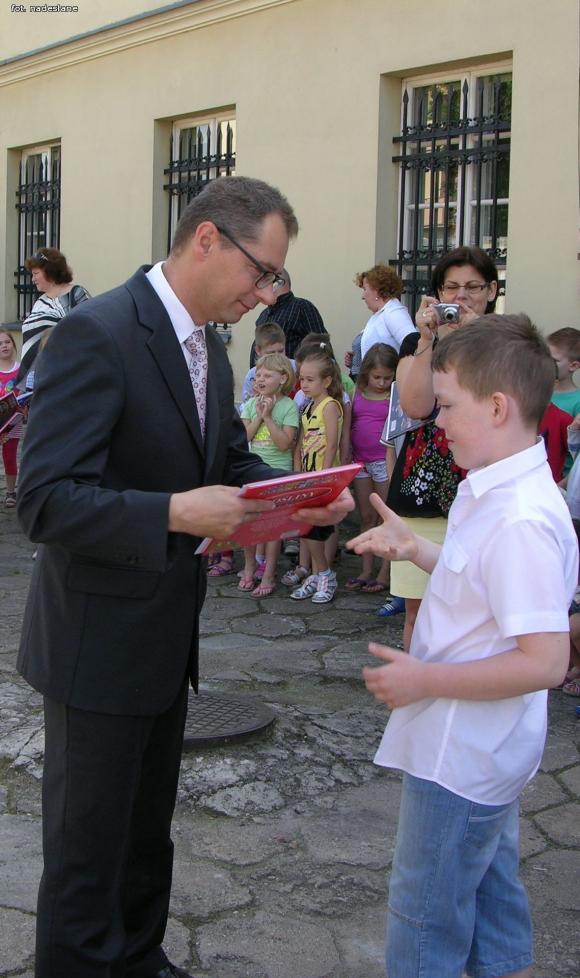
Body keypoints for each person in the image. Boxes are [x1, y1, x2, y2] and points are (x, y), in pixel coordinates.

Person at [16, 175, 353, 978]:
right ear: (208, 240)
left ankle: (139, 956)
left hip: (165, 639)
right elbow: (45, 501)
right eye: (261, 271)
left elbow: (227, 461)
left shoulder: (208, 342)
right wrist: (172, 512)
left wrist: (305, 501)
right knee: (86, 848)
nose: (266, 293)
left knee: (144, 832)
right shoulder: (95, 333)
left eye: (275, 278)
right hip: (95, 646)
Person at [348, 314, 578, 978]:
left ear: (499, 406)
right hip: (486, 752)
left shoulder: (521, 518)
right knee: (491, 897)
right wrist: (416, 547)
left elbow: (545, 660)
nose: (436, 420)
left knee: (425, 917)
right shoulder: (496, 486)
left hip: (463, 754)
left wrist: (426, 682)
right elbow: (480, 581)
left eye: (448, 405)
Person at [382, 245, 499, 642]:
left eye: (472, 287)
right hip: (424, 491)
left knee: (478, 616)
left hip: (484, 489)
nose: (461, 297)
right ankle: (417, 700)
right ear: (437, 294)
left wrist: (473, 341)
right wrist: (429, 339)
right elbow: (416, 406)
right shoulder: (418, 343)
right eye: (451, 288)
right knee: (419, 615)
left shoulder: (506, 343)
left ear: (492, 291)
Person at [239, 352, 299, 596]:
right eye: (258, 375)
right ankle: (249, 565)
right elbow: (244, 438)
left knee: (274, 527)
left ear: (283, 378)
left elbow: (285, 444)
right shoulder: (251, 404)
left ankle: (269, 572)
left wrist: (268, 417)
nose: (260, 379)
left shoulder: (288, 406)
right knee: (249, 522)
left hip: (277, 472)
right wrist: (258, 415)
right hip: (252, 469)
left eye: (267, 375)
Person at [289, 345, 344, 604]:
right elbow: (300, 442)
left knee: (317, 529)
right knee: (305, 527)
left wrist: (323, 476)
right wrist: (298, 471)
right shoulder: (308, 407)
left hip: (323, 478)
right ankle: (319, 573)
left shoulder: (330, 406)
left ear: (327, 381)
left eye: (310, 380)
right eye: (302, 379)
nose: (304, 384)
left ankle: (324, 574)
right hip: (307, 477)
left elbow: (332, 443)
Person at [346, 343, 398, 594]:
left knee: (385, 516)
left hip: (382, 461)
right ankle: (366, 568)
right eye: (377, 377)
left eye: (387, 378)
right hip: (360, 460)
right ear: (366, 372)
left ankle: (384, 571)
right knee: (366, 517)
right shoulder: (357, 390)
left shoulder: (394, 395)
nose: (382, 382)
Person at [17, 247, 91, 387]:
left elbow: (89, 330)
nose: (32, 279)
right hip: (37, 377)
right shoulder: (39, 303)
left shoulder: (76, 294)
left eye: (35, 274)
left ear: (49, 271)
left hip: (66, 375)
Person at [251, 268, 325, 363]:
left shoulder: (302, 307)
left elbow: (322, 344)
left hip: (292, 375)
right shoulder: (264, 314)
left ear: (277, 283)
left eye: (265, 282)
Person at [355, 264, 416, 360]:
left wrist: (400, 371)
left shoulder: (393, 312)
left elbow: (412, 341)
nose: (362, 296)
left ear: (377, 289)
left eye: (365, 289)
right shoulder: (380, 314)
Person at [546, 327, 580, 475]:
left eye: (553, 361)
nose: (545, 364)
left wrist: (563, 486)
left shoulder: (577, 402)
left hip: (562, 482)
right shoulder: (540, 392)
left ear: (573, 366)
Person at [240, 320, 290, 404]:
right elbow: (245, 406)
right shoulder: (252, 375)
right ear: (258, 351)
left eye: (281, 351)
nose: (277, 356)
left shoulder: (294, 367)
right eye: (271, 353)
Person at [0, 331, 24, 507]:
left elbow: (26, 393)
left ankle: (10, 492)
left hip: (13, 420)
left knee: (9, 456)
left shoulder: (21, 370)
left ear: (13, 346)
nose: (4, 346)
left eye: (7, 342)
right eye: (0, 344)